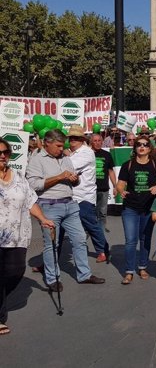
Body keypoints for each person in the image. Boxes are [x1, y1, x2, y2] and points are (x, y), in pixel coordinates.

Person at [26, 130, 106, 291]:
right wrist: (59, 177)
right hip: (49, 206)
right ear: (47, 143)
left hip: (70, 204)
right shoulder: (37, 159)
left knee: (80, 240)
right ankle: (52, 278)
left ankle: (84, 274)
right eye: (58, 146)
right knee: (51, 245)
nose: (61, 149)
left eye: (63, 146)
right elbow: (34, 185)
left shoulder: (66, 159)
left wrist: (74, 180)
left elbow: (73, 182)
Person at [0, 137, 55, 336]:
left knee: (15, 272)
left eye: (5, 152)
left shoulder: (19, 177)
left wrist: (43, 218)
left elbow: (30, 201)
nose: (2, 156)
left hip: (17, 235)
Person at [117, 135, 156, 285]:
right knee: (131, 241)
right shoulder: (128, 165)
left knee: (145, 239)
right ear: (135, 147)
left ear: (150, 148)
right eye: (138, 144)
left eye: (145, 144)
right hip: (130, 207)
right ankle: (129, 271)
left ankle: (143, 267)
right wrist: (121, 191)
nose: (142, 147)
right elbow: (120, 183)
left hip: (149, 208)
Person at [67, 126, 111, 263]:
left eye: (76, 138)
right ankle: (49, 262)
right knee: (60, 231)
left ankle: (103, 250)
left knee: (91, 224)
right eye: (70, 138)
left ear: (82, 139)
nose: (72, 140)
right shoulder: (72, 153)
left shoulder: (86, 153)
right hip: (69, 196)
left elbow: (69, 167)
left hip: (83, 197)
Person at [91, 133, 117, 233]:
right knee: (91, 212)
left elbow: (111, 171)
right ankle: (88, 230)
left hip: (103, 188)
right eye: (95, 141)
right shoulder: (88, 154)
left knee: (102, 212)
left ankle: (100, 232)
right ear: (91, 142)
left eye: (99, 141)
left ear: (102, 142)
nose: (97, 143)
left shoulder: (107, 155)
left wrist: (115, 186)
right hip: (90, 189)